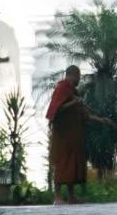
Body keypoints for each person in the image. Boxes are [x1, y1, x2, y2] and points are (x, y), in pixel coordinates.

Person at [45, 65, 112, 205]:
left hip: (74, 136)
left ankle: (71, 196)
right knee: (62, 164)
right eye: (78, 76)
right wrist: (73, 102)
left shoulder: (73, 92)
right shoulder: (61, 88)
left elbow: (84, 115)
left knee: (72, 165)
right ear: (72, 75)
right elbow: (55, 110)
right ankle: (57, 197)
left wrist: (101, 120)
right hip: (63, 136)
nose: (79, 79)